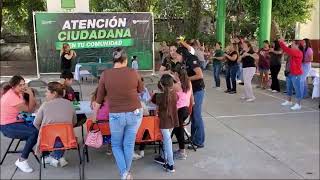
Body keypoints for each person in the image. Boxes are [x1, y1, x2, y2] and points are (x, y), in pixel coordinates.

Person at [92, 48, 144, 179]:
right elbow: (141, 90)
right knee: (128, 144)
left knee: (116, 145)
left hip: (116, 115)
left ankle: (124, 173)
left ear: (113, 60)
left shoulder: (105, 74)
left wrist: (94, 117)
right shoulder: (134, 72)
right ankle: (125, 173)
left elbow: (98, 100)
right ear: (126, 60)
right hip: (135, 112)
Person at [33, 82, 77, 167]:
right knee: (62, 135)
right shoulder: (70, 104)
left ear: (54, 93)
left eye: (47, 92)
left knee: (56, 136)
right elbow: (74, 122)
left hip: (47, 141)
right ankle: (57, 156)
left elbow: (36, 123)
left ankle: (54, 157)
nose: (45, 94)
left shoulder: (45, 105)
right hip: (67, 140)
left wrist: (44, 131)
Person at [0, 75, 38, 173]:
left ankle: (44, 154)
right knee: (34, 133)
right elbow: (30, 110)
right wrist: (30, 94)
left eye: (23, 84)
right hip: (7, 126)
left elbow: (32, 107)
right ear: (13, 86)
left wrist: (30, 97)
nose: (23, 87)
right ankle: (22, 160)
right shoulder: (12, 96)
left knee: (40, 127)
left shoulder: (17, 93)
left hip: (16, 121)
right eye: (20, 85)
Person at [175, 47, 205, 149]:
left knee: (196, 115)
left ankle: (199, 141)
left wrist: (185, 79)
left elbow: (200, 75)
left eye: (177, 55)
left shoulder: (192, 59)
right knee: (192, 115)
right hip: (191, 91)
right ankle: (194, 138)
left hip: (198, 90)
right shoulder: (184, 62)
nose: (176, 57)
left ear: (182, 54)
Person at [152, 74, 179, 172]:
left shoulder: (159, 96)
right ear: (172, 84)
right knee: (167, 140)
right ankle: (164, 158)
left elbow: (153, 100)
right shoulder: (174, 94)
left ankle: (170, 164)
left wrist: (155, 93)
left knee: (167, 142)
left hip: (164, 121)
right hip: (172, 120)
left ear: (161, 85)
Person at [171, 68, 193, 160]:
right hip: (186, 110)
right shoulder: (188, 83)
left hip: (179, 111)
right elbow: (191, 97)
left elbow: (165, 89)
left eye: (174, 74)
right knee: (177, 129)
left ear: (177, 75)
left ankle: (182, 152)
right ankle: (181, 150)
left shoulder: (176, 86)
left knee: (178, 130)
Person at [279, 39, 304, 110]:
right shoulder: (293, 52)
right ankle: (289, 101)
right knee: (288, 87)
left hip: (295, 74)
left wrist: (281, 42)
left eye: (293, 44)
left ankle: (298, 104)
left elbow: (286, 49)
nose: (291, 45)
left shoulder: (298, 52)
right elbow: (286, 52)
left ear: (297, 45)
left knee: (297, 89)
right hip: (289, 73)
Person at [91, 87, 112, 155]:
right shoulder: (110, 103)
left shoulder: (94, 103)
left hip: (97, 128)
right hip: (109, 128)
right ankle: (109, 146)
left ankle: (99, 140)